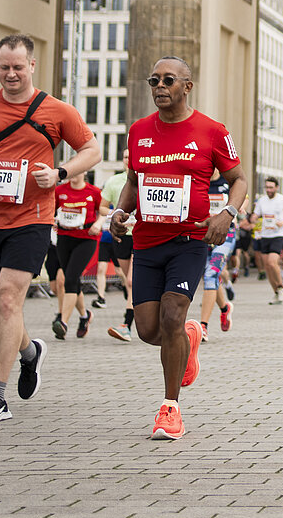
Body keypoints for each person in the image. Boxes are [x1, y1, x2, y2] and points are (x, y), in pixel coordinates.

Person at [0, 33, 99, 424]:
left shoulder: (57, 110)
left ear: (32, 65)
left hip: (32, 219)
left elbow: (92, 150)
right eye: (4, 67)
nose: (11, 74)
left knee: (11, 302)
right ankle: (30, 352)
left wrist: (60, 173)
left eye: (18, 66)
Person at [106, 56, 247, 441]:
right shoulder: (138, 131)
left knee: (171, 316)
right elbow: (134, 183)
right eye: (154, 80)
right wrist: (120, 211)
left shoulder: (212, 131)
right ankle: (188, 338)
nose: (160, 87)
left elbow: (239, 179)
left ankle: (171, 409)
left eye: (169, 80)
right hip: (147, 242)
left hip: (190, 241)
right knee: (150, 330)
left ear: (187, 85)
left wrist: (227, 214)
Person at [47, 169, 107, 341]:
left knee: (70, 279)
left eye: (77, 171)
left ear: (84, 171)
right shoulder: (60, 191)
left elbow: (104, 211)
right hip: (65, 238)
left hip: (86, 239)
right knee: (73, 280)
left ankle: (63, 322)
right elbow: (50, 209)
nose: (73, 175)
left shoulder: (93, 192)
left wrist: (99, 223)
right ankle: (84, 316)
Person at [197, 176, 239, 337]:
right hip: (204, 233)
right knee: (209, 275)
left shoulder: (228, 180)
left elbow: (244, 197)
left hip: (225, 234)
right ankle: (225, 308)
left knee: (211, 274)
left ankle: (203, 327)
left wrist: (237, 208)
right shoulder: (199, 180)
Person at [101, 166, 137, 339]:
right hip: (122, 236)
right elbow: (101, 207)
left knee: (131, 281)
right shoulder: (114, 181)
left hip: (139, 236)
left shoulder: (147, 178)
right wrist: (114, 214)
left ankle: (126, 325)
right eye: (125, 157)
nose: (128, 160)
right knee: (127, 280)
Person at [249, 178, 283, 304]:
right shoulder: (262, 201)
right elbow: (256, 215)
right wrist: (253, 218)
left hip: (278, 234)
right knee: (267, 266)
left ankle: (281, 286)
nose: (269, 190)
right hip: (265, 234)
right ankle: (276, 292)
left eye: (271, 187)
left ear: (276, 187)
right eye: (267, 187)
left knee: (272, 262)